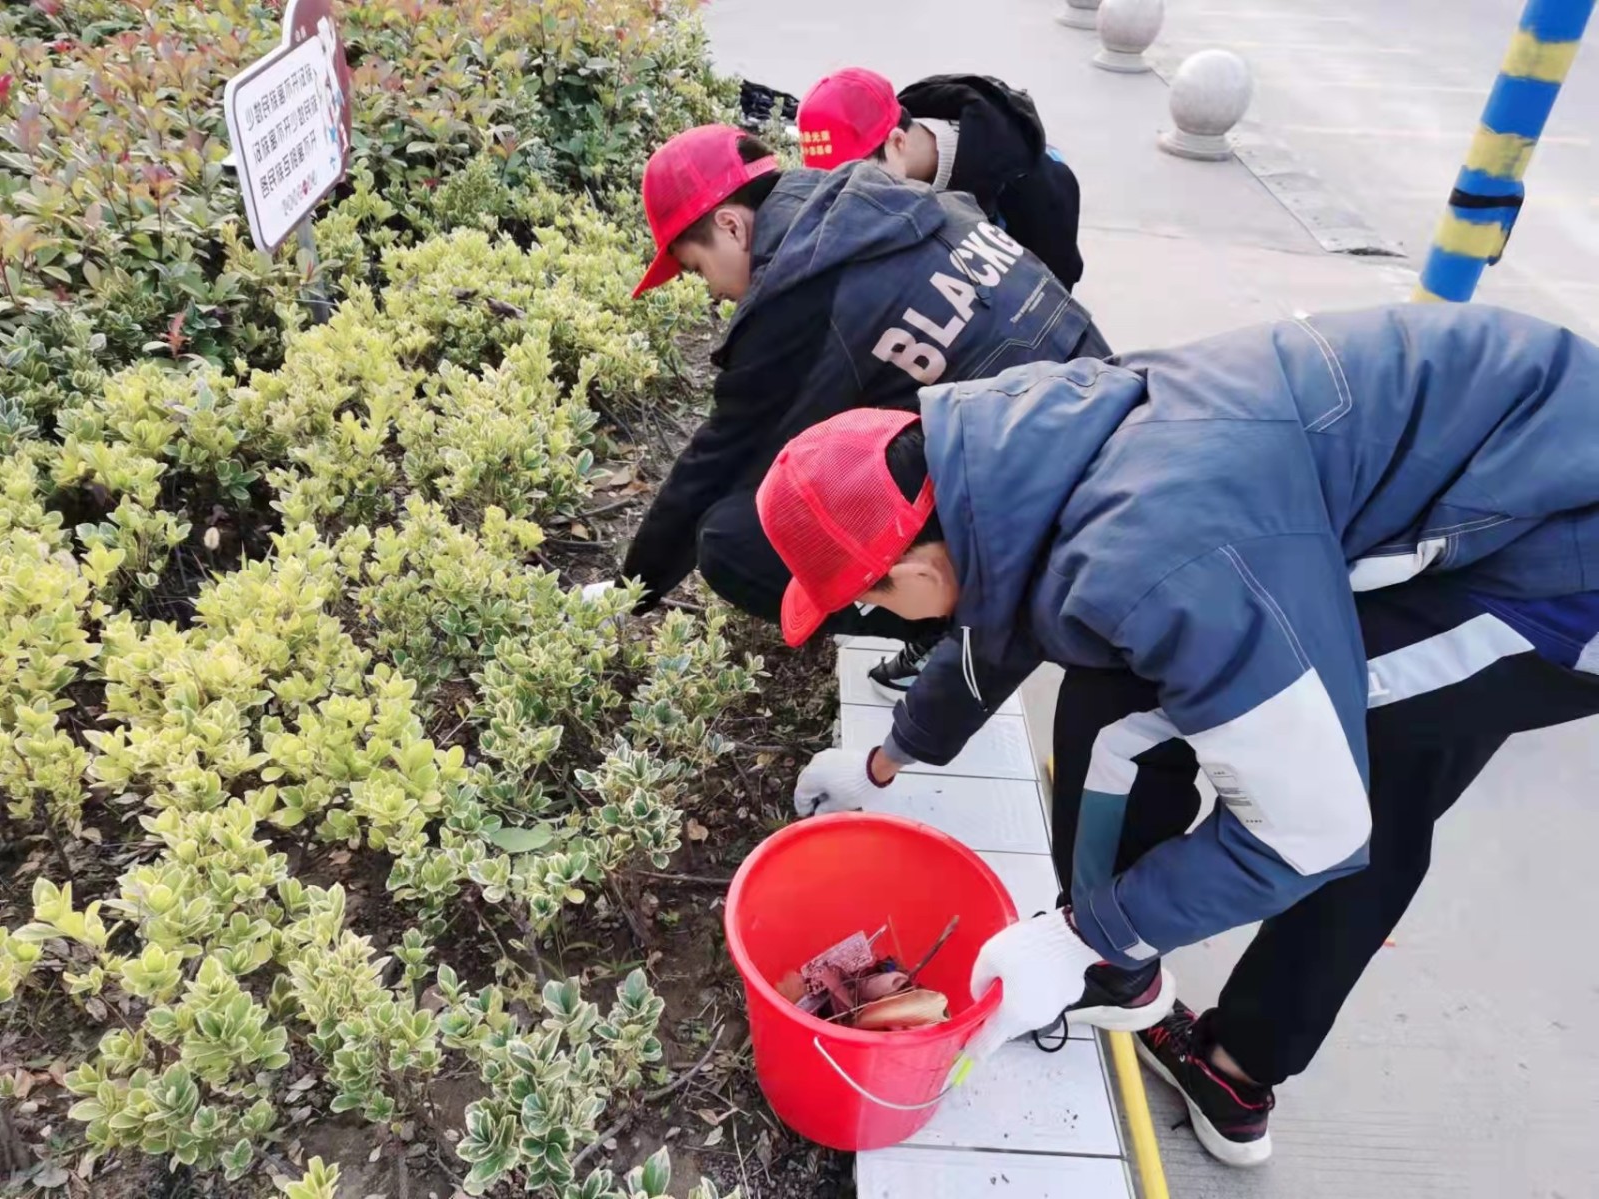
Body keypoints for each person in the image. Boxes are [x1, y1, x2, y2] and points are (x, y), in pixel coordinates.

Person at [754, 304, 1599, 1110]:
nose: (877, 617)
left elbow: (1312, 829)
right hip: (1509, 469)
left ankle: (1182, 1023)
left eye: (866, 602)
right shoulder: (1024, 446)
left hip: (1564, 564)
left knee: (1333, 778)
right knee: (1292, 739)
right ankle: (1135, 968)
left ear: (903, 575)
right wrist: (887, 757)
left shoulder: (1157, 558)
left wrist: (1085, 936)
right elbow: (1004, 603)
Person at [619, 122, 1110, 694]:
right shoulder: (876, 200)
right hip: (1100, 412)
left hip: (1043, 497)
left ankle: (945, 623)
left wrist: (634, 589)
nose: (712, 292)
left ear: (730, 224)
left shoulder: (799, 293)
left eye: (698, 269)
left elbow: (722, 459)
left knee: (733, 542)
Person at [798, 67, 1084, 290]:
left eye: (854, 179)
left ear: (897, 143)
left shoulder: (1034, 189)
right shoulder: (895, 165)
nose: (848, 196)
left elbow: (1053, 311)